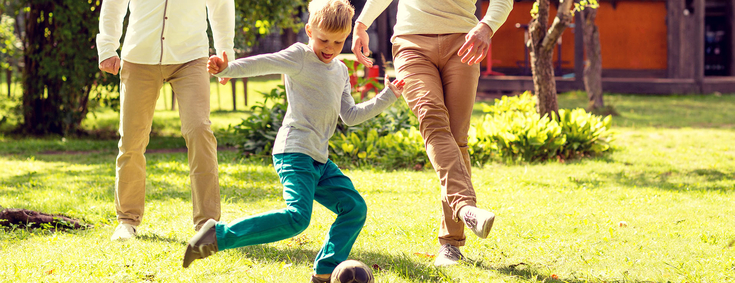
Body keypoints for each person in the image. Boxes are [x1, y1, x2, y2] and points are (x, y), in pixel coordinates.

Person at [181, 0, 404, 281]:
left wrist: (388, 96)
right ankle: (217, 236)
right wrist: (226, 68)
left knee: (354, 208)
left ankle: (325, 271)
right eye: (323, 39)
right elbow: (263, 63)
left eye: (338, 42)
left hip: (319, 160)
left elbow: (350, 115)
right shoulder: (299, 56)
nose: (329, 47)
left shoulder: (341, 71)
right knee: (297, 218)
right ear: (309, 30)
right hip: (294, 153)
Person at [351, 0, 513, 266]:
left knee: (456, 138)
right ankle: (465, 208)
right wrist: (361, 23)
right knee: (432, 118)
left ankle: (451, 245)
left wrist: (487, 26)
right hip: (410, 42)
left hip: (464, 42)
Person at [96, 0, 235, 240]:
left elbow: (221, 4)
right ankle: (127, 221)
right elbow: (113, 3)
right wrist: (107, 47)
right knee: (131, 139)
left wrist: (226, 54)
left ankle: (208, 223)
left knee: (200, 130)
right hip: (139, 56)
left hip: (191, 57)